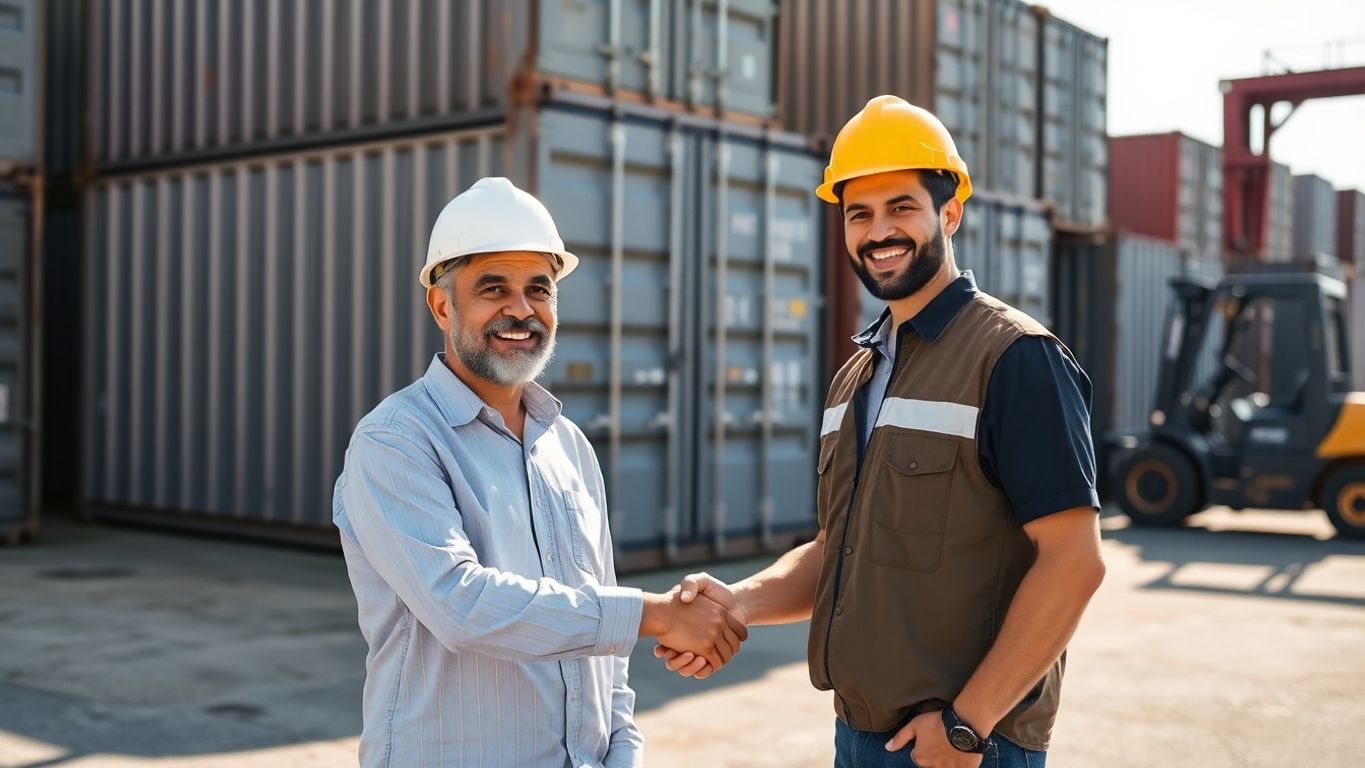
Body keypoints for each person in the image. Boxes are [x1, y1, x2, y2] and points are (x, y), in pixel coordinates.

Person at [655, 96, 1106, 768]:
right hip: (862, 736)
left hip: (963, 746)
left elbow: (1074, 562)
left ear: (948, 212)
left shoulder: (1014, 358)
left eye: (900, 208)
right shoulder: (857, 377)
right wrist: (734, 605)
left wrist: (967, 724)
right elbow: (841, 551)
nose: (877, 232)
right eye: (858, 214)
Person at [334, 177, 748, 768]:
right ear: (443, 304)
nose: (521, 309)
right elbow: (461, 605)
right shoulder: (395, 441)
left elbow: (607, 658)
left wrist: (622, 749)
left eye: (539, 289)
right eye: (493, 288)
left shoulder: (569, 448)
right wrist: (657, 616)